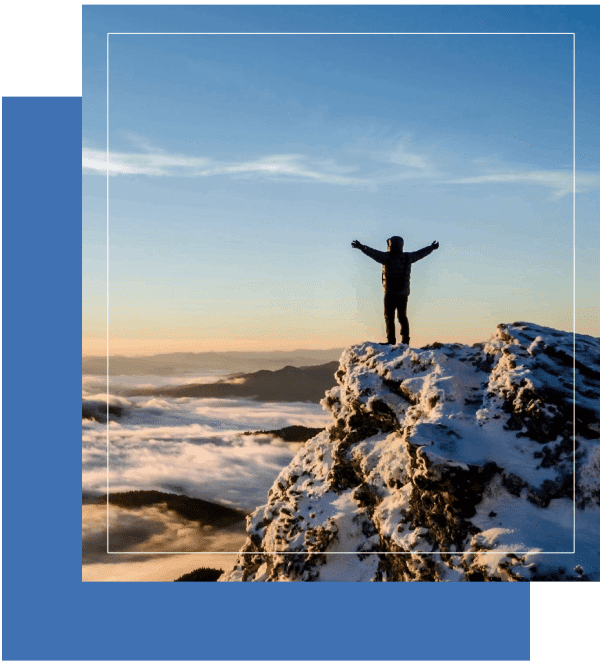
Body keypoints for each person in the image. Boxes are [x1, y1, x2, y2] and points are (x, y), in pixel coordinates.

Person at [352, 235, 439, 345]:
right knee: (402, 316)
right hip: (403, 293)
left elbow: (372, 253)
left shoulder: (386, 257)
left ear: (390, 245)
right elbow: (420, 253)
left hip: (390, 293)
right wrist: (431, 248)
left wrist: (361, 247)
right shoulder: (408, 257)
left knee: (389, 317)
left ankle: (391, 341)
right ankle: (405, 340)